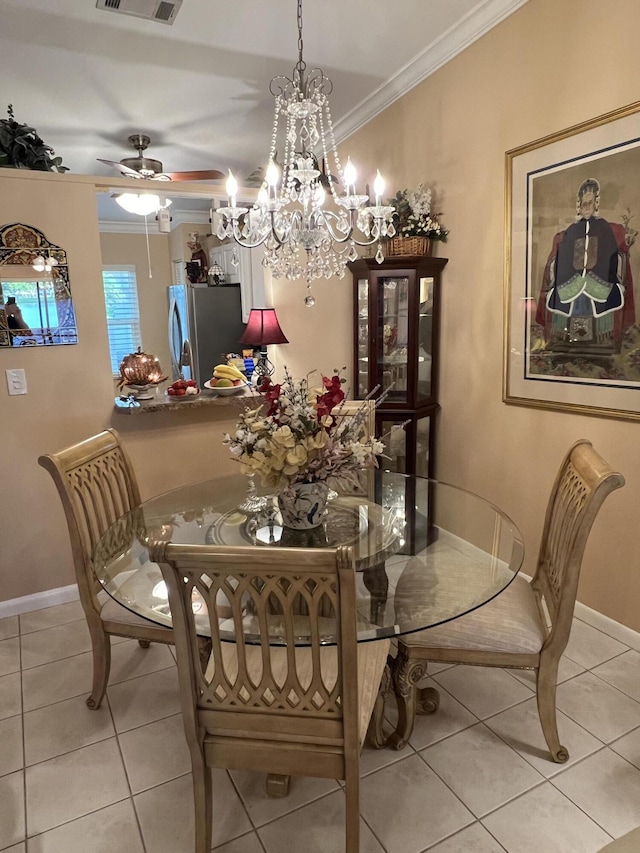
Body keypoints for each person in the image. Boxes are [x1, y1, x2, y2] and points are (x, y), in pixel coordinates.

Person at [535, 178, 635, 355]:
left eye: (590, 203)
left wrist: (594, 272)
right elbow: (563, 257)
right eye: (583, 203)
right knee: (566, 292)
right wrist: (573, 274)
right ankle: (565, 340)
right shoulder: (572, 230)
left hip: (599, 277)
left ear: (595, 204)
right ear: (579, 206)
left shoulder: (603, 227)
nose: (586, 207)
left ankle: (600, 341)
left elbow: (610, 255)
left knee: (592, 290)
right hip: (572, 277)